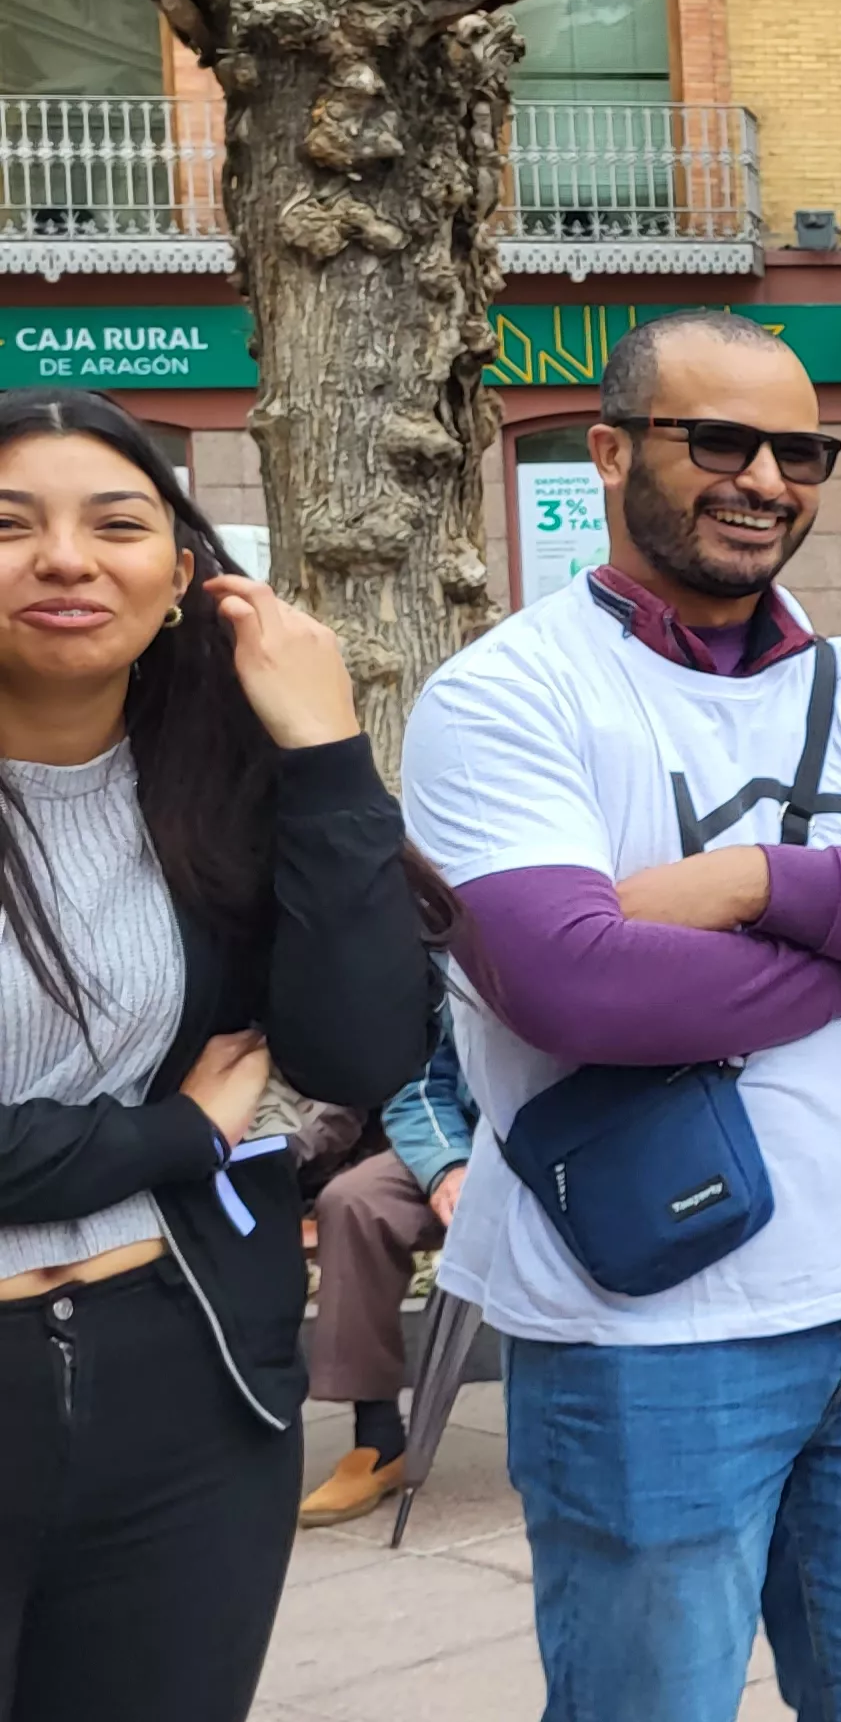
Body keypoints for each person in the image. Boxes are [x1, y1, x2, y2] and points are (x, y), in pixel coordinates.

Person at [404, 312, 841, 1720]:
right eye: (719, 440)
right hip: (644, 1340)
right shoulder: (506, 695)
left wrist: (753, 881)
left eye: (800, 449)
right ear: (609, 451)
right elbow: (574, 984)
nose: (765, 477)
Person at [0, 388, 437, 1718]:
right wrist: (163, 1138)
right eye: (9, 525)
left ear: (182, 575)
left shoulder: (209, 791)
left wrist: (323, 749)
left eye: (116, 523)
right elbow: (184, 1125)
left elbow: (361, 1048)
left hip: (187, 1385)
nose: (67, 558)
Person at [296, 1006, 475, 1528]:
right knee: (355, 1201)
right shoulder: (440, 955)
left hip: (568, 1135)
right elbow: (417, 1085)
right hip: (461, 1137)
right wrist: (447, 1166)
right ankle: (376, 1439)